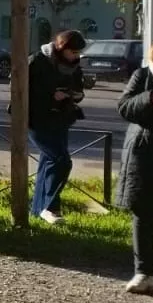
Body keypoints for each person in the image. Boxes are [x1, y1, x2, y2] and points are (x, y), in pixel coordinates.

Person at [116, 23, 153, 295]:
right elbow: (125, 107)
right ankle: (144, 274)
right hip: (146, 156)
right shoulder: (144, 75)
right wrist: (151, 97)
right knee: (145, 216)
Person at [29, 29, 87, 225]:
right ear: (61, 48)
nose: (75, 57)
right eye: (73, 52)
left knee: (48, 163)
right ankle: (50, 207)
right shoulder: (38, 61)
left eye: (78, 53)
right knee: (61, 160)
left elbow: (79, 87)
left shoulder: (74, 65)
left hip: (62, 118)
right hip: (36, 119)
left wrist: (75, 95)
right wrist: (50, 96)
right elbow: (21, 89)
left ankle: (37, 209)